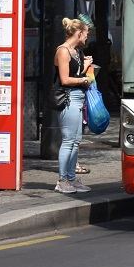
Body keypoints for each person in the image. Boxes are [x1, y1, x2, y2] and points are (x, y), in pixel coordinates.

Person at [54, 15, 96, 194]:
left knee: (76, 140)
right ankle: (62, 180)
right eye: (86, 33)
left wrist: (85, 68)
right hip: (69, 98)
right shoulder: (63, 51)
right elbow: (64, 79)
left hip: (78, 98)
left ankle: (71, 178)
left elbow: (76, 74)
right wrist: (84, 79)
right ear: (78, 33)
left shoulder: (77, 52)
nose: (87, 37)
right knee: (68, 140)